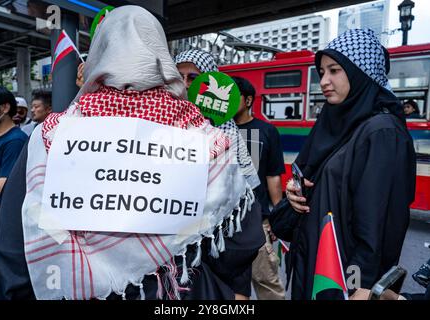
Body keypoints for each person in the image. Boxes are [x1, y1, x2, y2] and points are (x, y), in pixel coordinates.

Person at [0, 6, 258, 300]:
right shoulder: (204, 139)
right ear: (160, 58)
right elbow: (240, 241)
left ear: (99, 55)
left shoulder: (51, 135)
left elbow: (13, 240)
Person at [271, 29, 416, 300]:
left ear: (361, 73)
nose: (324, 81)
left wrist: (359, 287)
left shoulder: (381, 132)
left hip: (341, 279)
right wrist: (295, 192)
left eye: (335, 70)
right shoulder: (336, 122)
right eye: (322, 72)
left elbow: (378, 224)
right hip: (313, 261)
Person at [174, 49, 265, 300]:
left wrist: (239, 288)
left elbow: (245, 212)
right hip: (176, 265)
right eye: (178, 76)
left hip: (222, 262)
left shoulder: (232, 138)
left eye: (193, 77)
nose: (184, 84)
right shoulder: (162, 130)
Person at [232, 76, 286, 300]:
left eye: (233, 96)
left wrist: (278, 219)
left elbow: (273, 176)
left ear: (247, 100)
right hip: (222, 225)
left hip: (257, 221)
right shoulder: (213, 129)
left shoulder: (266, 131)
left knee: (267, 283)